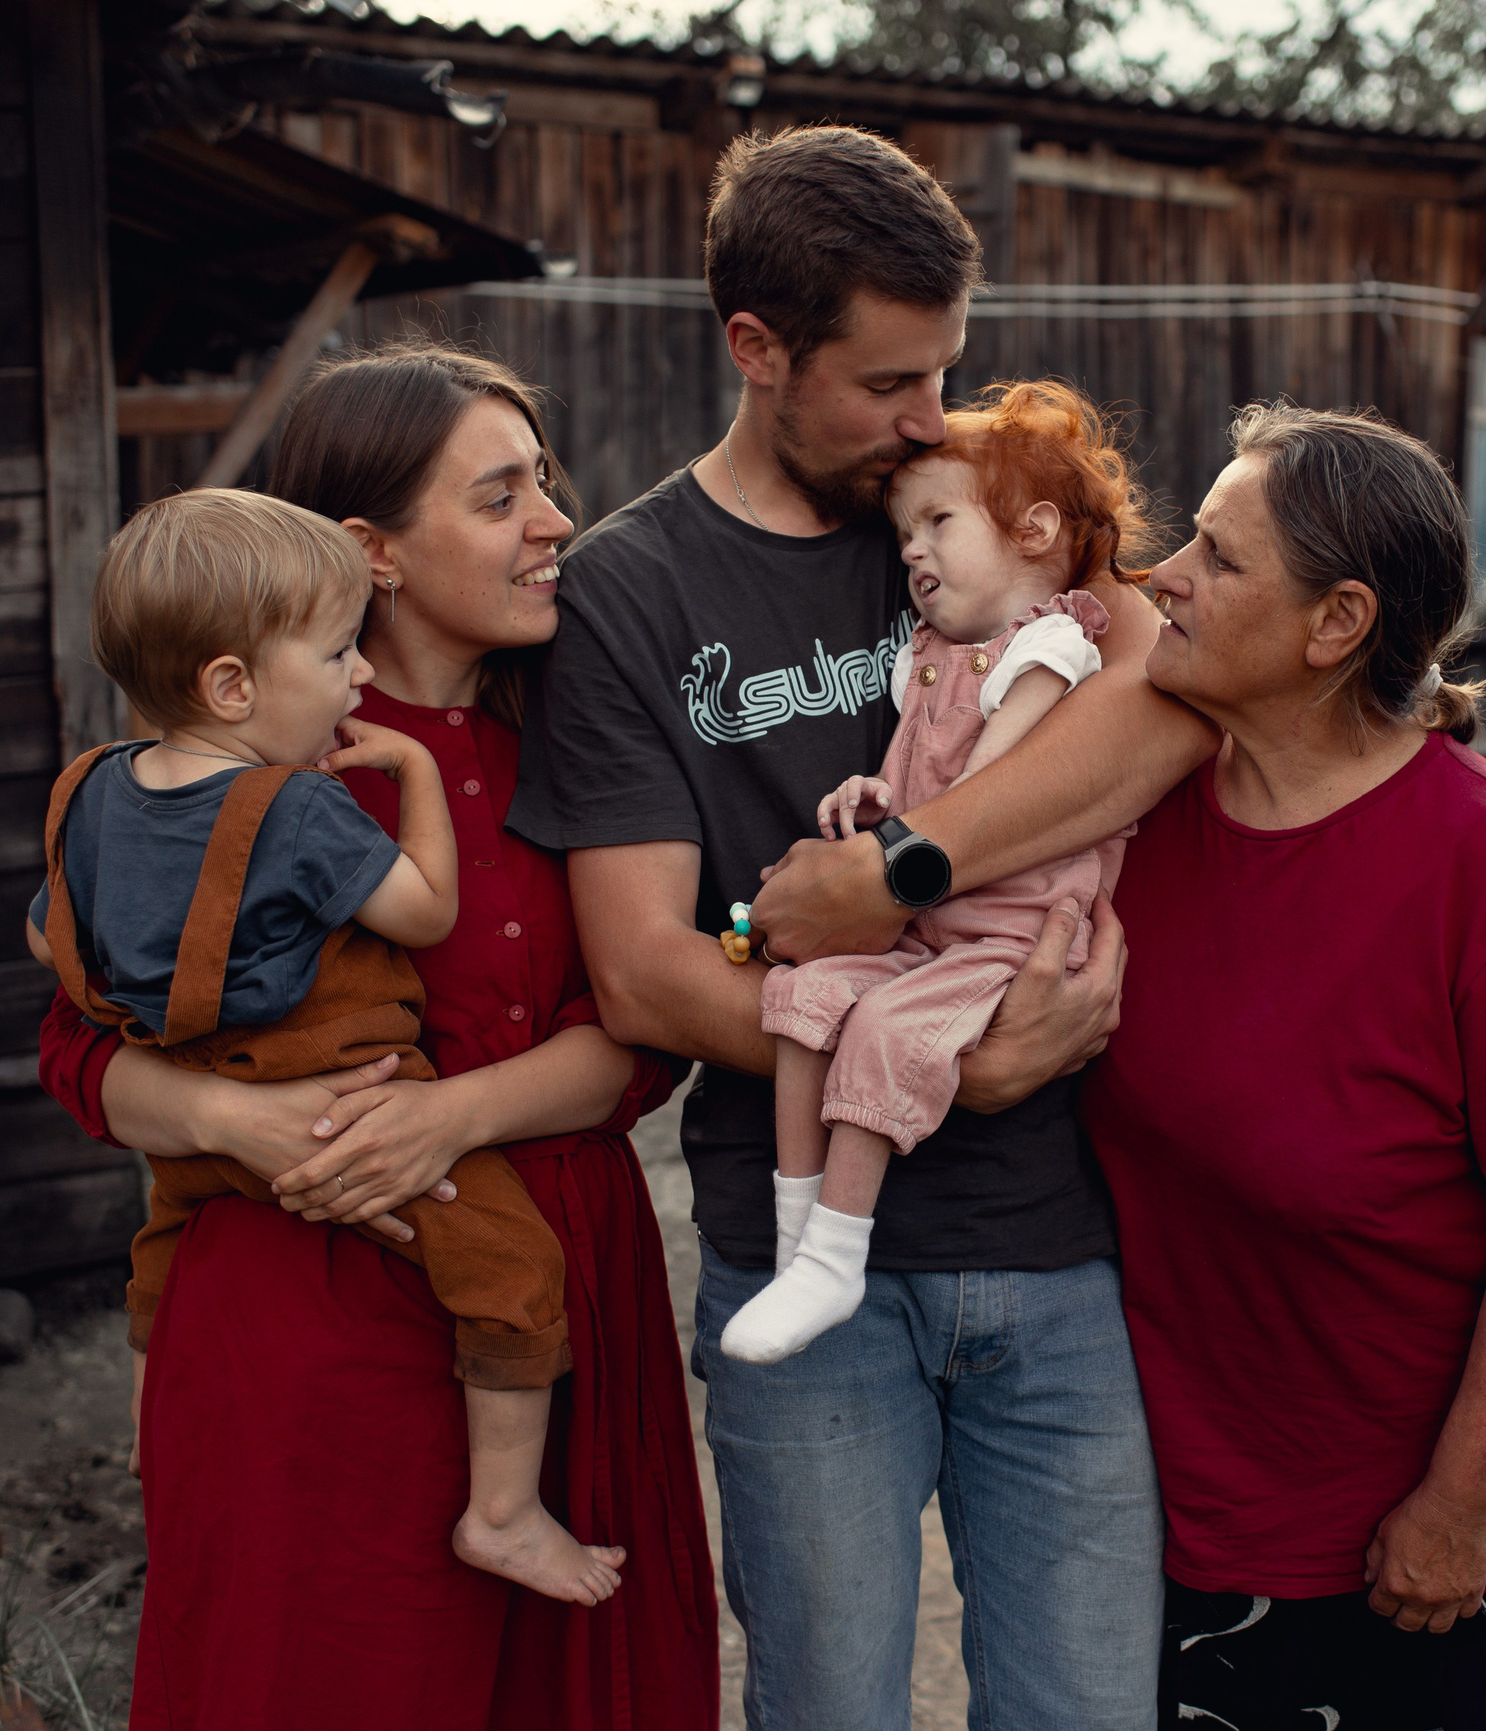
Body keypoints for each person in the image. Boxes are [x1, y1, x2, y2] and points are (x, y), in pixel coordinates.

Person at [508, 126, 1217, 1727]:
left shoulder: (987, 505)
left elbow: (1167, 697)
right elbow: (640, 969)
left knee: (1091, 1706)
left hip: (1058, 1245)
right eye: (891, 381)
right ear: (756, 348)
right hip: (798, 1249)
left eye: (945, 371)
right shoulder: (630, 592)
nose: (929, 418)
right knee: (829, 1704)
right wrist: (941, 1061)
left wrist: (904, 876)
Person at [36, 347, 718, 1728]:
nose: (554, 521)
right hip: (309, 1292)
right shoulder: (249, 764)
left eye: (546, 480)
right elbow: (79, 1043)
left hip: (552, 1274)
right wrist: (242, 1122)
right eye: (499, 493)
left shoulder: (595, 731)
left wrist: (449, 1117)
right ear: (374, 551)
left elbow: (645, 1031)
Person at [1079, 404, 1486, 1731]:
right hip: (1204, 1523)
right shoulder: (1140, 822)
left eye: (1216, 557)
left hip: (1431, 1554)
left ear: (1335, 623)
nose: (1165, 574)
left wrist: (1458, 1506)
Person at [27, 487, 623, 1605]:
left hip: (199, 1151)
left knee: (154, 1267)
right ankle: (504, 1512)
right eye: (337, 652)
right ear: (232, 686)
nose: (356, 677)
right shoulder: (297, 811)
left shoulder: (89, 790)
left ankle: (155, 1445)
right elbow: (426, 913)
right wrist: (412, 778)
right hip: (346, 1110)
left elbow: (52, 942)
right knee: (511, 1267)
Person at [719, 381, 1157, 1365]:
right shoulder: (929, 655)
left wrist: (889, 844)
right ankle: (796, 1233)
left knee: (880, 1027)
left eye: (936, 522)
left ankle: (836, 1254)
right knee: (799, 994)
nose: (909, 548)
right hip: (932, 926)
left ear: (1035, 531)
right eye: (902, 529)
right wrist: (872, 799)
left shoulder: (1052, 646)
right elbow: (919, 780)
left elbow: (992, 786)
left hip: (1012, 934)